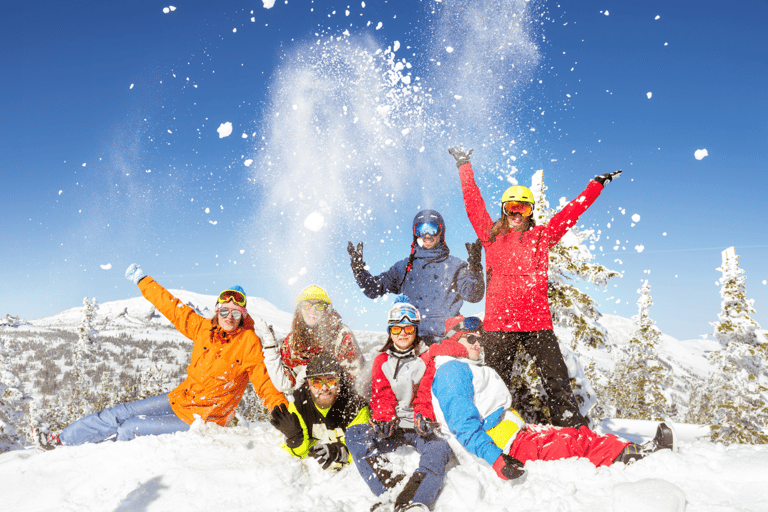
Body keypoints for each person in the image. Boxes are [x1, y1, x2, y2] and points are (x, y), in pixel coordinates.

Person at [449, 146, 623, 427]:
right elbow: (473, 204)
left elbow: (571, 213)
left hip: (536, 324)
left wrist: (595, 186)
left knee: (557, 380)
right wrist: (464, 165)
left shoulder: (542, 237)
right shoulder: (490, 236)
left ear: (530, 212)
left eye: (523, 208)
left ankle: (570, 427)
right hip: (500, 326)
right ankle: (492, 429)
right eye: (512, 208)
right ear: (504, 211)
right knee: (495, 382)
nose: (517, 214)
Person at [31, 264, 288, 450]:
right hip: (180, 398)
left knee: (129, 428)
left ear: (243, 315)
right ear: (216, 311)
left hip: (204, 418)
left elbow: (265, 385)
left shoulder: (248, 342)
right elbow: (170, 306)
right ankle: (61, 440)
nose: (229, 317)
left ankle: (106, 464)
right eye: (224, 311)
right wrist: (143, 280)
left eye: (235, 312)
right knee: (121, 413)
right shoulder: (203, 329)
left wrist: (284, 415)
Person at [413, 315, 675, 481]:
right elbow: (464, 425)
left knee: (573, 435)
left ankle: (625, 447)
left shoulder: (461, 366)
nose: (478, 344)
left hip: (514, 435)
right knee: (574, 447)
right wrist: (496, 459)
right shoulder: (451, 371)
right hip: (505, 447)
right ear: (455, 340)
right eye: (471, 339)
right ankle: (630, 455)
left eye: (480, 339)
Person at [344, 296, 451, 512]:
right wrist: (384, 417)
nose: (402, 334)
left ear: (415, 331)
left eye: (408, 329)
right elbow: (382, 393)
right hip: (394, 426)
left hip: (419, 427)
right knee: (355, 434)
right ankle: (391, 487)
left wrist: (423, 415)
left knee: (439, 449)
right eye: (396, 329)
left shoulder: (426, 358)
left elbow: (424, 393)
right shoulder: (381, 360)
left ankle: (416, 501)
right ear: (390, 331)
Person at [347, 209, 485, 346]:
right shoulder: (404, 268)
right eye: (420, 229)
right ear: (415, 234)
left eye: (432, 228)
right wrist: (359, 271)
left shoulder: (455, 265)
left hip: (448, 341)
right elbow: (374, 290)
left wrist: (474, 269)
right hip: (413, 341)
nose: (426, 235)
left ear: (441, 232)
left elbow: (474, 296)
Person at [268, 354, 370, 470]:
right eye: (317, 382)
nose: (324, 388)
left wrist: (338, 452)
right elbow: (299, 454)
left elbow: (363, 449)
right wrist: (295, 438)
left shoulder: (355, 406)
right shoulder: (299, 404)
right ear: (309, 384)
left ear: (339, 381)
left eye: (330, 381)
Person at [259, 285, 364, 393]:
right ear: (299, 309)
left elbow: (354, 380)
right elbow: (285, 384)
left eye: (319, 306)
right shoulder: (292, 340)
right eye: (306, 304)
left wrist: (315, 374)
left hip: (335, 400)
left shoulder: (342, 335)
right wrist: (270, 345)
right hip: (304, 403)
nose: (312, 310)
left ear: (327, 310)